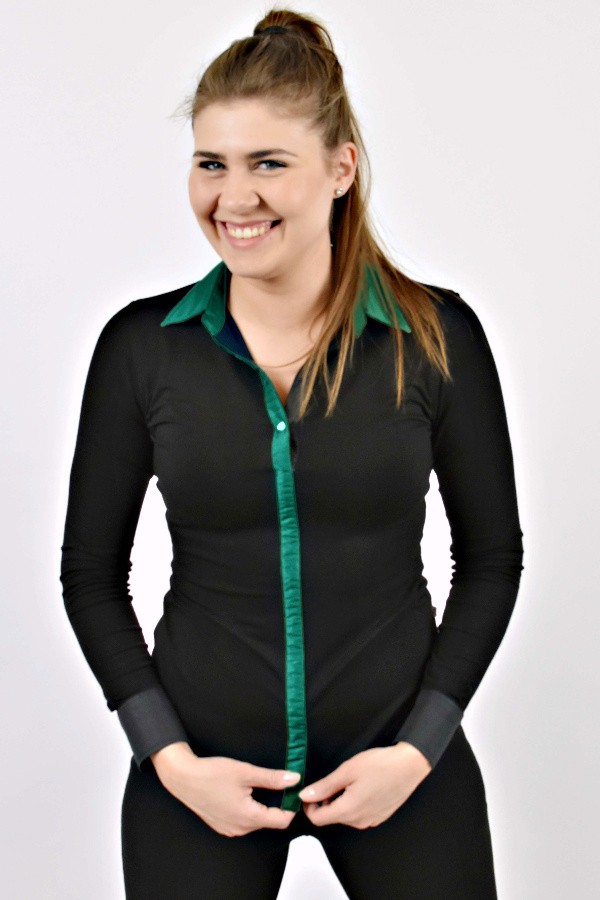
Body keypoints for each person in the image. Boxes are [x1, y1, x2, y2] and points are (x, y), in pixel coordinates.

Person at [60, 8, 524, 898]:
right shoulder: (141, 351)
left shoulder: (436, 338)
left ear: (341, 168)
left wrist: (417, 750)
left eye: (268, 163)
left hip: (400, 767)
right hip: (197, 776)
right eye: (212, 164)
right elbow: (90, 574)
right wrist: (170, 758)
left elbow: (492, 558)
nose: (234, 198)